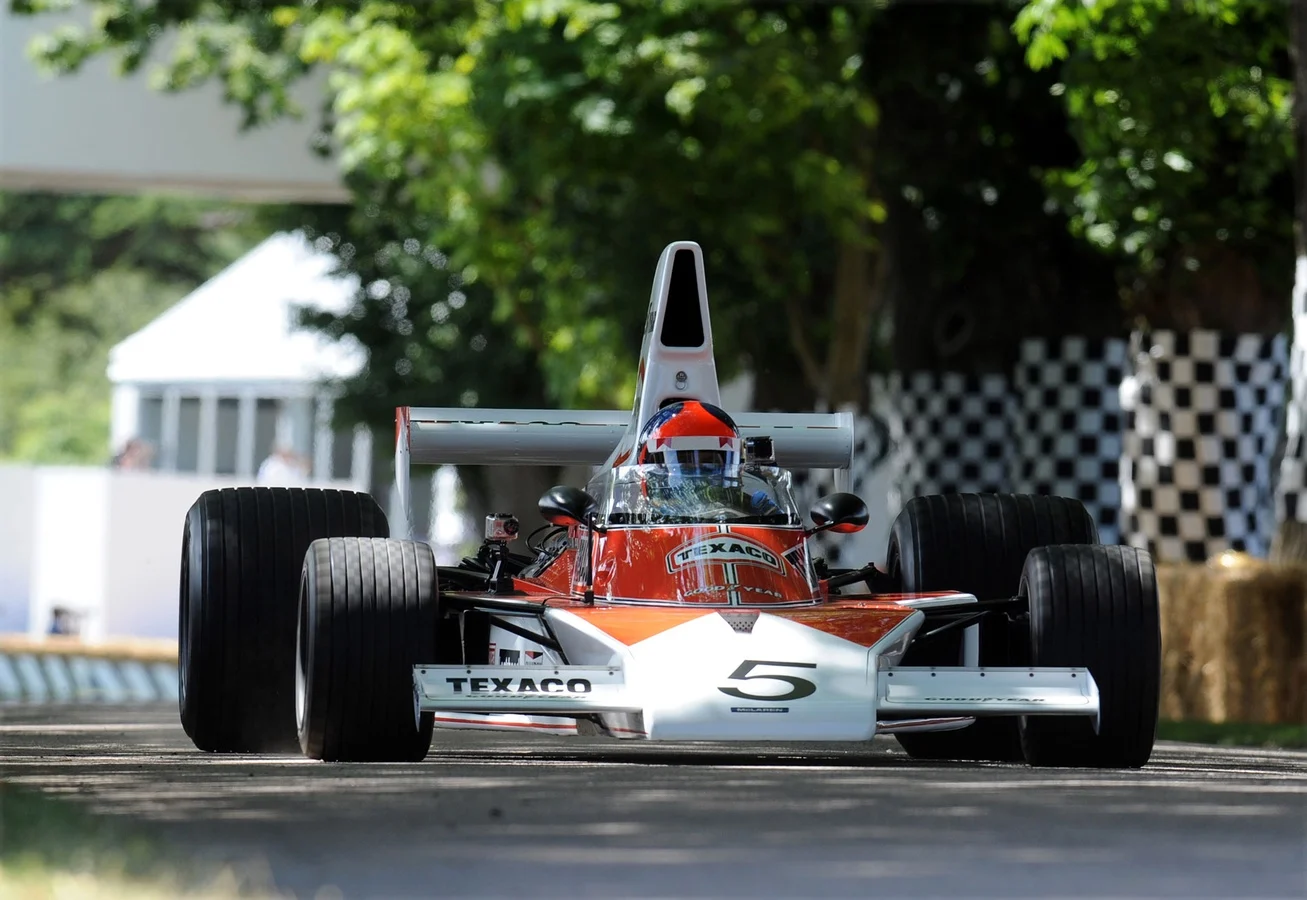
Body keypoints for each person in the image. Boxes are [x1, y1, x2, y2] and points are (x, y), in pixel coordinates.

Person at [626, 400, 780, 522]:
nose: (698, 473)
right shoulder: (631, 525)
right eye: (683, 462)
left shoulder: (755, 512)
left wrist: (772, 521)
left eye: (709, 462)